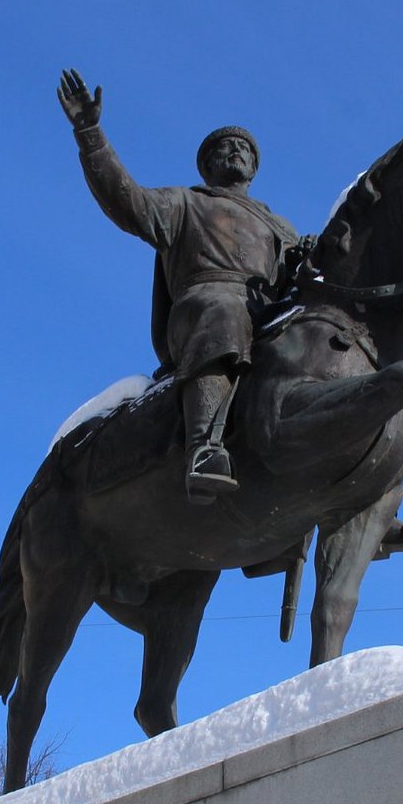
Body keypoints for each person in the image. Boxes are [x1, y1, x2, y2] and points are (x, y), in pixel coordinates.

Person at [57, 68, 298, 504]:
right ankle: (204, 447)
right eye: (225, 148)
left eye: (243, 148)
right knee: (222, 309)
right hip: (205, 306)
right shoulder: (184, 203)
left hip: (265, 312)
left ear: (255, 167)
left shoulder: (279, 226)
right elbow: (125, 199)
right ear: (208, 166)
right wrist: (90, 134)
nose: (235, 151)